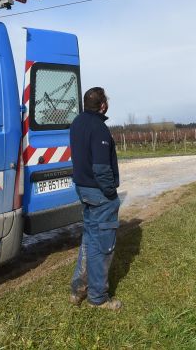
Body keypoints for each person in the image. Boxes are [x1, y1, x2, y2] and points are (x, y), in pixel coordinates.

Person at [68, 86, 122, 311]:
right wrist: (110, 193)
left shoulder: (77, 123)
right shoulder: (99, 127)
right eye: (106, 101)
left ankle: (78, 289)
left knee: (90, 239)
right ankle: (98, 297)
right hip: (99, 193)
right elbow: (101, 167)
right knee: (102, 245)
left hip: (83, 189)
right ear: (102, 105)